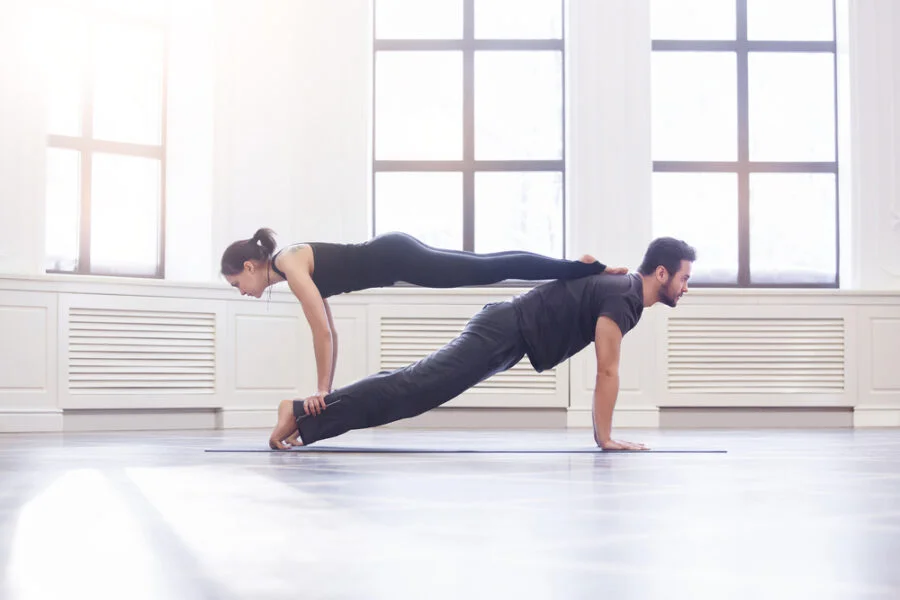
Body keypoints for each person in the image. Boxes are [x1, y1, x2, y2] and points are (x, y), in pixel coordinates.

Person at [267, 237, 696, 451]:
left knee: (415, 389)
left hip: (508, 336)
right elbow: (607, 369)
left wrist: (581, 267)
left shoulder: (622, 293)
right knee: (414, 386)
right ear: (661, 273)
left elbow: (578, 284)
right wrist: (606, 439)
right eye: (684, 278)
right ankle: (302, 414)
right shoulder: (624, 295)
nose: (686, 287)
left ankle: (307, 420)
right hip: (504, 330)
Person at [221, 228, 627, 417]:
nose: (240, 290)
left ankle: (580, 267)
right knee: (486, 266)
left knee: (489, 268)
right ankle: (576, 267)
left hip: (396, 257)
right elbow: (330, 329)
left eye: (237, 282)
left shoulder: (290, 264)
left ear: (250, 266)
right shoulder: (292, 266)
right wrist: (323, 391)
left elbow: (321, 331)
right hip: (394, 256)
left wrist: (322, 390)